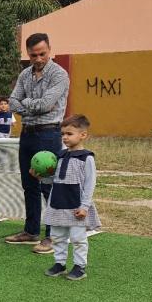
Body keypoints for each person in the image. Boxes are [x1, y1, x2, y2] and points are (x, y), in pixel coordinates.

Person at [5, 33, 70, 254]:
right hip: (27, 134)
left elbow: (47, 105)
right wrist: (32, 105)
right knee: (29, 184)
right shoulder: (25, 74)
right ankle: (31, 231)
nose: (38, 59)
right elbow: (12, 102)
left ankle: (53, 236)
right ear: (28, 54)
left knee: (49, 186)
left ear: (49, 49)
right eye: (34, 55)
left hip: (49, 134)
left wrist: (26, 104)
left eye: (42, 54)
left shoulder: (59, 74)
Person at [38, 115, 100, 281]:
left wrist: (84, 206)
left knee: (78, 239)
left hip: (76, 207)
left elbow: (90, 183)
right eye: (63, 134)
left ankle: (80, 266)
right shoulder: (60, 156)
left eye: (69, 134)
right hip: (57, 204)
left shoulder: (86, 157)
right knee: (57, 237)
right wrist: (41, 177)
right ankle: (60, 263)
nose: (65, 137)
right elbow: (54, 179)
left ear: (83, 135)